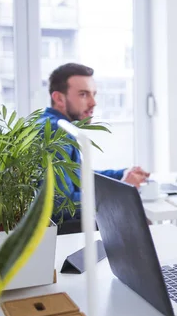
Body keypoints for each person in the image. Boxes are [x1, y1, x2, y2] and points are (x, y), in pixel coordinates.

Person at [40, 63, 150, 222]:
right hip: (66, 231)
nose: (93, 102)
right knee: (140, 221)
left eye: (94, 94)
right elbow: (61, 204)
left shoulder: (53, 124)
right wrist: (118, 192)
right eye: (84, 94)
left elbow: (79, 177)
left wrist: (122, 175)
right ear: (58, 98)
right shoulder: (55, 132)